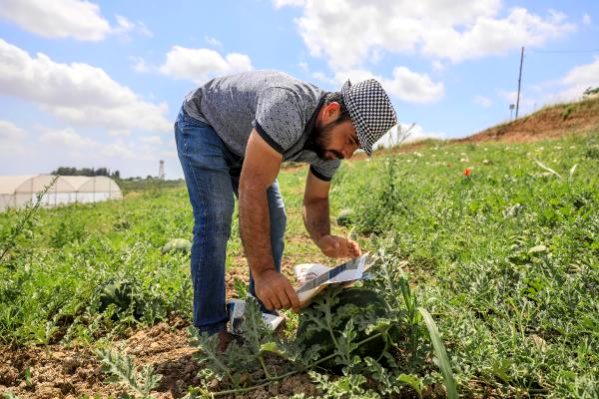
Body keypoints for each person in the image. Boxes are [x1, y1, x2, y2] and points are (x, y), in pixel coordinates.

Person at [175, 70, 397, 343]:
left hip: (246, 144)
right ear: (331, 111)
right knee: (216, 217)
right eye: (351, 140)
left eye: (357, 147)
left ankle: (259, 314)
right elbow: (252, 187)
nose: (348, 153)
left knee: (276, 217)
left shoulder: (330, 145)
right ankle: (210, 328)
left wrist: (323, 237)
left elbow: (315, 199)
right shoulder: (287, 108)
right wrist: (265, 272)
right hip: (205, 125)